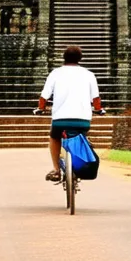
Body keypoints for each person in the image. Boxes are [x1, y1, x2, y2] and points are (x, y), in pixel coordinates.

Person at [38, 45, 103, 182]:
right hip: (82, 120)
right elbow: (96, 99)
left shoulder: (55, 73)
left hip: (60, 120)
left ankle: (56, 170)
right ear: (80, 59)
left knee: (54, 137)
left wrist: (40, 108)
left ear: (64, 58)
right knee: (82, 134)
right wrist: (98, 109)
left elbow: (44, 97)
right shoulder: (89, 74)